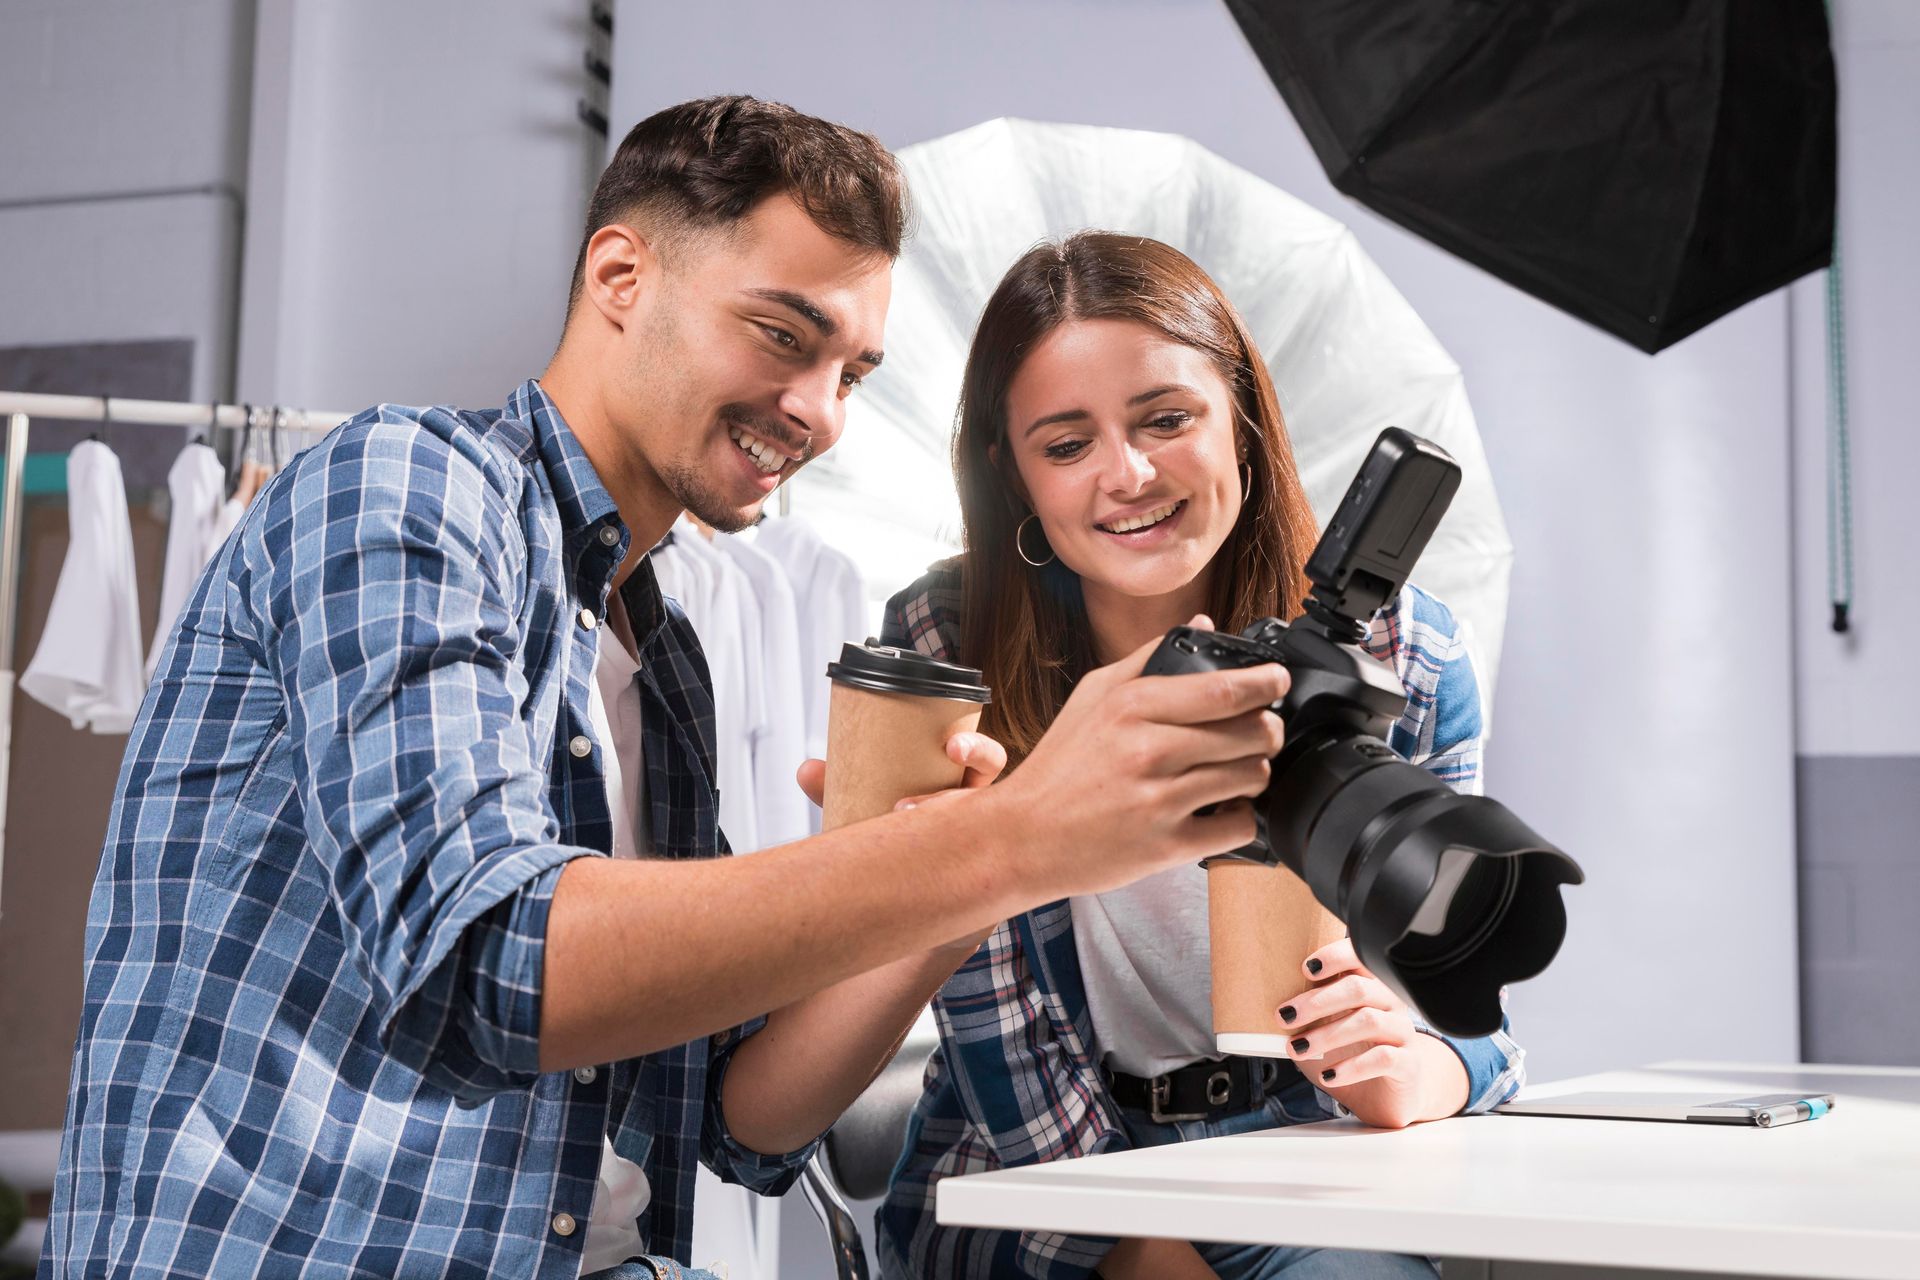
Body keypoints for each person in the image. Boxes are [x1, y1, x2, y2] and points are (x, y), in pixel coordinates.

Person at [40, 103, 1295, 1280]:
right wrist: (1004, 838)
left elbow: (744, 1119)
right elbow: (498, 964)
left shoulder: (662, 644)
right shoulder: (406, 490)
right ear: (620, 278)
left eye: (853, 371)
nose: (816, 411)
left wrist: (963, 891)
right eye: (783, 335)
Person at [875, 233, 1525, 1280]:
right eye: (1066, 442)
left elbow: (1482, 1018)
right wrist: (1147, 1254)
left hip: (1298, 1156)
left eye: (1166, 419)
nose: (1128, 475)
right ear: (1015, 473)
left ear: (1241, 420)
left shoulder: (1408, 650)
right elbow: (998, 1044)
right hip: (1026, 1181)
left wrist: (1417, 1061)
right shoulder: (950, 642)